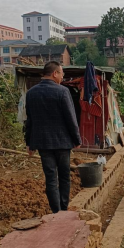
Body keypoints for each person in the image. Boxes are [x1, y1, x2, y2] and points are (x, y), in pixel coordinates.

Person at [26, 61, 82, 214]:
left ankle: (56, 211)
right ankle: (63, 208)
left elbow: (29, 120)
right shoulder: (62, 91)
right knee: (64, 176)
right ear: (55, 73)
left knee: (50, 177)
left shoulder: (31, 93)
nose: (63, 77)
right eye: (62, 73)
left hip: (42, 142)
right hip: (62, 142)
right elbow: (71, 118)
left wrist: (29, 142)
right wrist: (76, 139)